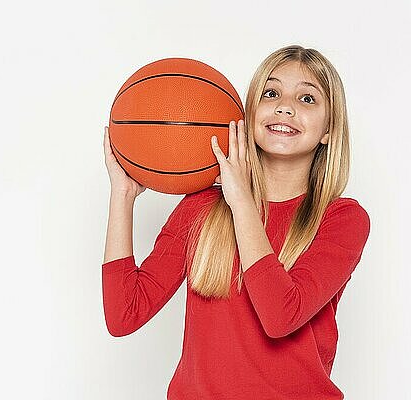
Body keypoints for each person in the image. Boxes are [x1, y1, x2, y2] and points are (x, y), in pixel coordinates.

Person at [101, 44, 371, 400]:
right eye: (271, 93)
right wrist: (122, 195)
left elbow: (280, 316)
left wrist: (241, 199)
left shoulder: (342, 219)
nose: (285, 106)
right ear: (248, 113)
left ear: (328, 130)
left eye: (307, 99)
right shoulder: (201, 207)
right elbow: (124, 315)